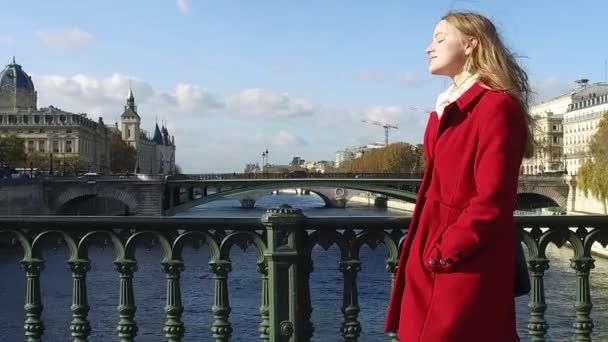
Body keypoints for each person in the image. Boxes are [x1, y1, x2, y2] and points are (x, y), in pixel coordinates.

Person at [384, 11, 534, 342]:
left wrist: (445, 250)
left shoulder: (496, 106)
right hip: (435, 253)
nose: (428, 48)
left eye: (439, 39)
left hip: (460, 261)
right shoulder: (448, 109)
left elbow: (493, 197)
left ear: (470, 44)